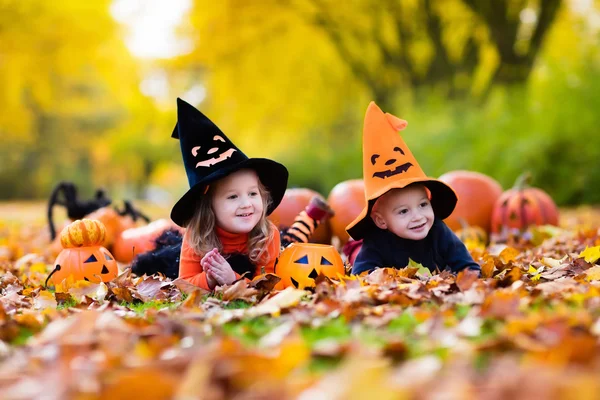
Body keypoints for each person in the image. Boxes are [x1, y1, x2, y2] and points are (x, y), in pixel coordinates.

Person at [169, 98, 332, 290]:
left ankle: (310, 217)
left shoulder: (267, 235)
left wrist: (233, 280)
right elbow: (183, 284)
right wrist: (209, 279)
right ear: (209, 205)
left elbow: (268, 285)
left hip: (275, 243)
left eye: (253, 194)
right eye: (232, 196)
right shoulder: (196, 236)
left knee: (292, 243)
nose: (247, 203)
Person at [346, 102, 481, 276]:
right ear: (381, 221)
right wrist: (389, 284)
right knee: (358, 253)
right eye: (403, 211)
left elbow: (468, 267)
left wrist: (463, 280)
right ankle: (353, 247)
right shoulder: (376, 240)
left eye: (423, 205)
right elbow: (361, 275)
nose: (418, 217)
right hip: (392, 284)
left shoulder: (438, 231)